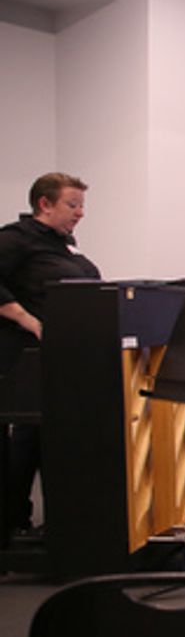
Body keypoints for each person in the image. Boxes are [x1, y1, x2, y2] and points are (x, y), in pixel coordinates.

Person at [0, 173, 100, 534]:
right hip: (26, 358)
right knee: (28, 439)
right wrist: (29, 320)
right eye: (72, 205)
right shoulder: (16, 239)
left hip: (68, 357)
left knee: (50, 440)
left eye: (82, 205)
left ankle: (56, 525)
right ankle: (14, 524)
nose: (80, 213)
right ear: (44, 204)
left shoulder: (64, 245)